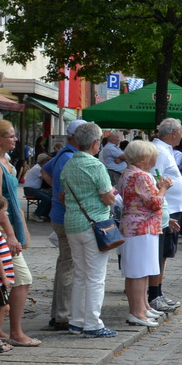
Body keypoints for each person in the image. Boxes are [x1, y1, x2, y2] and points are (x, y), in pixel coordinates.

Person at [0, 120, 39, 350]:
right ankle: (15, 331)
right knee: (22, 279)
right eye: (12, 136)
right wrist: (12, 234)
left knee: (5, 279)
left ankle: (0, 329)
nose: (16, 139)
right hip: (4, 230)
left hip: (11, 224)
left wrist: (22, 228)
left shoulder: (6, 162)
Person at [59, 122, 118, 337]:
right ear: (95, 143)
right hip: (95, 225)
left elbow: (63, 194)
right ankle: (93, 323)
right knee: (95, 276)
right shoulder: (96, 165)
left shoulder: (68, 164)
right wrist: (112, 192)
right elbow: (108, 197)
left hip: (73, 222)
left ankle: (76, 321)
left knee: (80, 274)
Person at [119, 139, 167, 328]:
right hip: (142, 227)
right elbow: (155, 202)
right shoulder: (142, 176)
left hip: (134, 226)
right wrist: (163, 188)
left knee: (139, 270)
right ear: (145, 158)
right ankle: (137, 311)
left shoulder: (128, 173)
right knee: (139, 271)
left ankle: (143, 307)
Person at [44, 131, 82, 331]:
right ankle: (63, 314)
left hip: (58, 214)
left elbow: (45, 170)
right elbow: (65, 193)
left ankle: (59, 313)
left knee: (64, 263)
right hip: (66, 216)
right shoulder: (70, 157)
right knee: (69, 265)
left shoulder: (62, 154)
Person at [149, 118, 182, 313]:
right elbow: (156, 179)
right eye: (181, 132)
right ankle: (154, 294)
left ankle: (158, 292)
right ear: (173, 133)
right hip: (165, 209)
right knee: (160, 253)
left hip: (169, 208)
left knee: (164, 253)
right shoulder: (160, 152)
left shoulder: (166, 150)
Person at [22, 153, 53, 219]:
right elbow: (46, 178)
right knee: (46, 198)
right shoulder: (38, 169)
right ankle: (36, 214)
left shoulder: (37, 167)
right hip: (30, 189)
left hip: (32, 189)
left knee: (50, 196)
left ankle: (45, 214)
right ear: (44, 162)